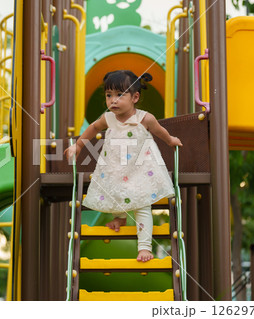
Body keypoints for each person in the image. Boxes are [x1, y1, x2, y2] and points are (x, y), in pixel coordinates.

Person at [64, 70, 183, 262]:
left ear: (135, 97)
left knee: (142, 205)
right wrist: (78, 145)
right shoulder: (108, 118)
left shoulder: (145, 118)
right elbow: (93, 128)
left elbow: (160, 131)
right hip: (116, 166)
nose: (113, 100)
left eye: (120, 95)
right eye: (109, 95)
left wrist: (170, 140)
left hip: (141, 168)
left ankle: (144, 246)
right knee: (114, 191)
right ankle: (119, 218)